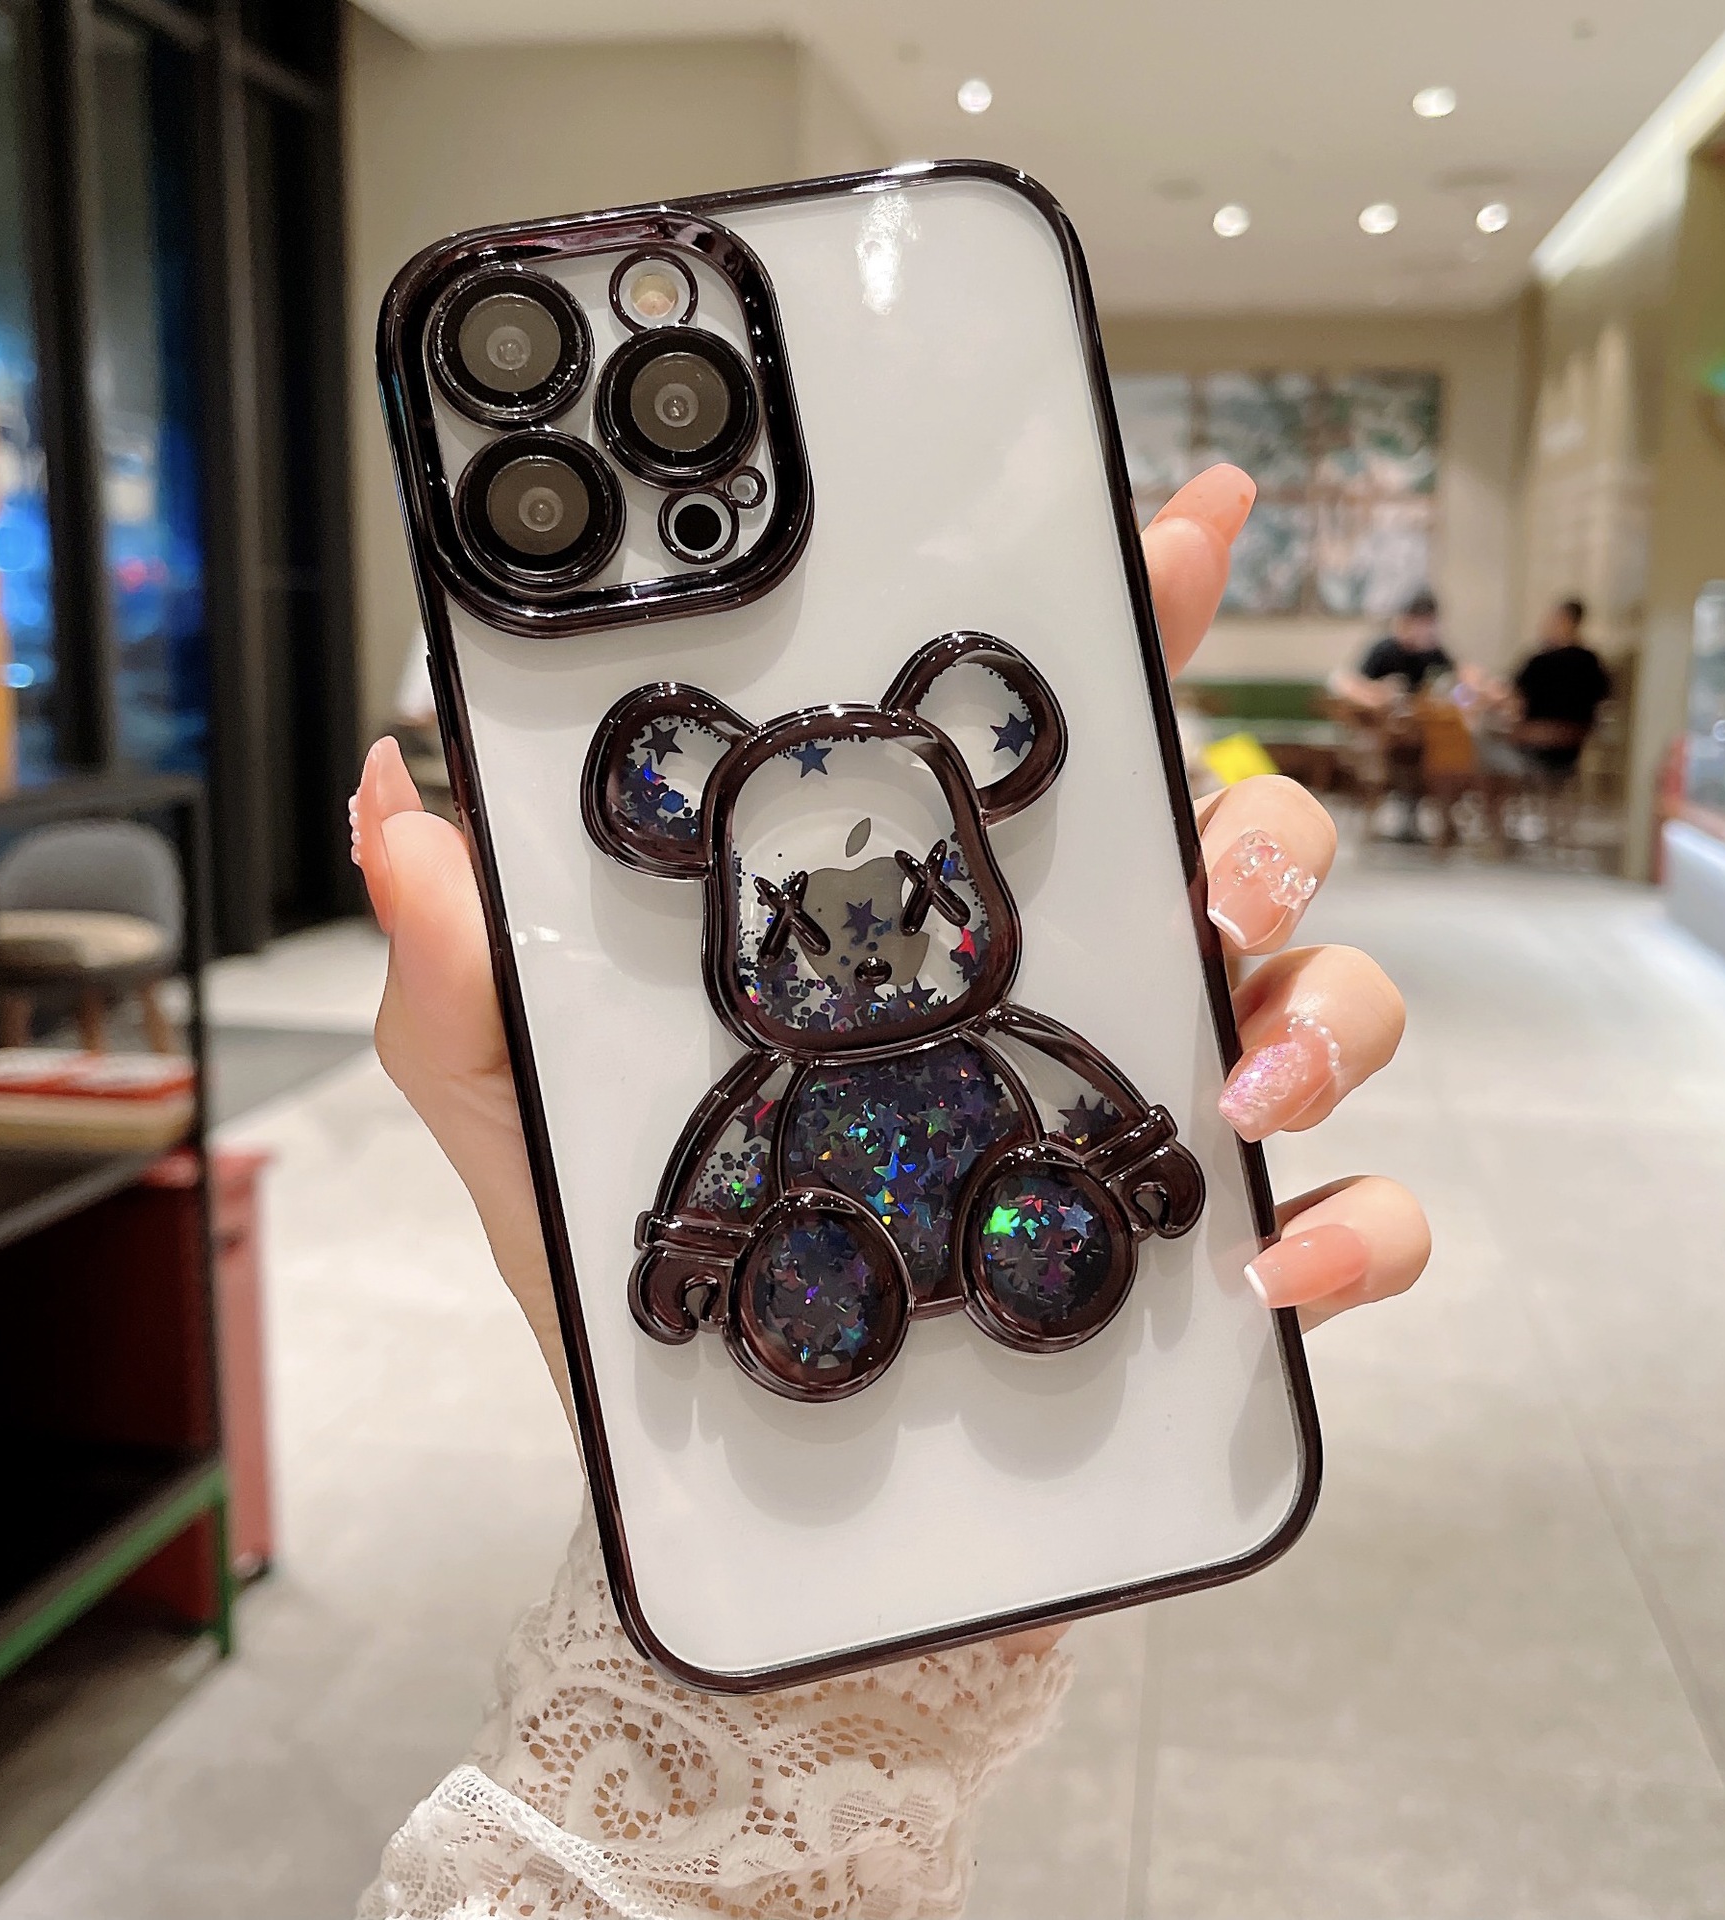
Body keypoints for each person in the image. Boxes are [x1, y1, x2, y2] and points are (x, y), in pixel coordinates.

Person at [347, 463, 1430, 1920]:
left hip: (1000, 1201)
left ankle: (1018, 1252)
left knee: (1030, 1206)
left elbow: (1081, 1084)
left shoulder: (975, 1035)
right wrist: (697, 1252)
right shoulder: (774, 1087)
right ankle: (826, 1296)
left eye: (910, 897)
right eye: (803, 918)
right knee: (811, 1261)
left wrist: (1139, 1155)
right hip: (829, 1254)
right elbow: (727, 1156)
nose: (864, 947)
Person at [1499, 597, 1612, 774]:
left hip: (1534, 746)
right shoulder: (1592, 662)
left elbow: (1513, 700)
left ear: (1564, 621)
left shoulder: (1539, 662)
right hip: (1574, 749)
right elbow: (1602, 701)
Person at [1328, 588, 1454, 710]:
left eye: (1431, 623)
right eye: (1422, 623)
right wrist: (1378, 693)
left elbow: (1453, 682)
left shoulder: (1435, 654)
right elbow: (1348, 682)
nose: (1428, 631)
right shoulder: (1384, 650)